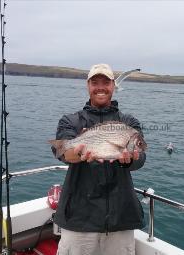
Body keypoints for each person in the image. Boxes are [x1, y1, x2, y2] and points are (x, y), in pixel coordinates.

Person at [52, 63, 146, 255]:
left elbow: (140, 158)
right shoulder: (70, 121)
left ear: (113, 86)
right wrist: (79, 152)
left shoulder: (129, 123)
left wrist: (128, 159)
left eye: (106, 82)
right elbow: (62, 153)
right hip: (78, 219)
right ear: (88, 86)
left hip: (121, 219)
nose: (100, 87)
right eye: (95, 82)